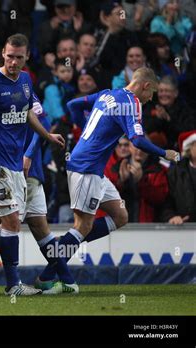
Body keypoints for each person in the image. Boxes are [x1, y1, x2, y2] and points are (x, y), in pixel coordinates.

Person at [42, 67, 180, 294]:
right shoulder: (133, 102)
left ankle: (65, 246)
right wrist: (165, 153)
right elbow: (137, 140)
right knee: (82, 226)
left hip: (91, 167)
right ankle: (49, 274)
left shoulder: (108, 93)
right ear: (145, 86)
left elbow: (73, 106)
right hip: (86, 167)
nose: (150, 99)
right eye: (151, 93)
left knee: (120, 216)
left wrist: (81, 131)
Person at [0, 34, 65, 295]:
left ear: (27, 57)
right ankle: (13, 285)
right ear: (3, 52)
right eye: (9, 56)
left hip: (14, 162)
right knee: (11, 221)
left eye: (18, 57)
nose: (13, 62)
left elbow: (27, 112)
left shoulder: (24, 80)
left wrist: (47, 136)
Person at [162, 130, 196, 224]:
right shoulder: (175, 173)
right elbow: (166, 202)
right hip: (183, 229)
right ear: (189, 148)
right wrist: (172, 216)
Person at [43, 58, 76, 125]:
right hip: (49, 125)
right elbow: (57, 112)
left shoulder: (70, 87)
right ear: (55, 72)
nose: (66, 74)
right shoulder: (51, 88)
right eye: (62, 71)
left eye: (69, 71)